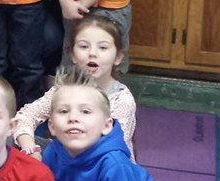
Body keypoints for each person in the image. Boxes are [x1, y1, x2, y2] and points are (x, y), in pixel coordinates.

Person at [44, 68, 174, 181]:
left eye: (85, 112)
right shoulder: (51, 154)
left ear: (106, 125)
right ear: (52, 126)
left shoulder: (115, 164)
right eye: (64, 111)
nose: (73, 118)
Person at [14, 16, 137, 160]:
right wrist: (30, 148)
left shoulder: (121, 100)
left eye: (103, 47)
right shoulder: (65, 89)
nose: (92, 53)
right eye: (84, 46)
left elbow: (110, 149)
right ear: (72, 54)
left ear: (118, 57)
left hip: (103, 165)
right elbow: (26, 116)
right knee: (7, 141)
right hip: (67, 156)